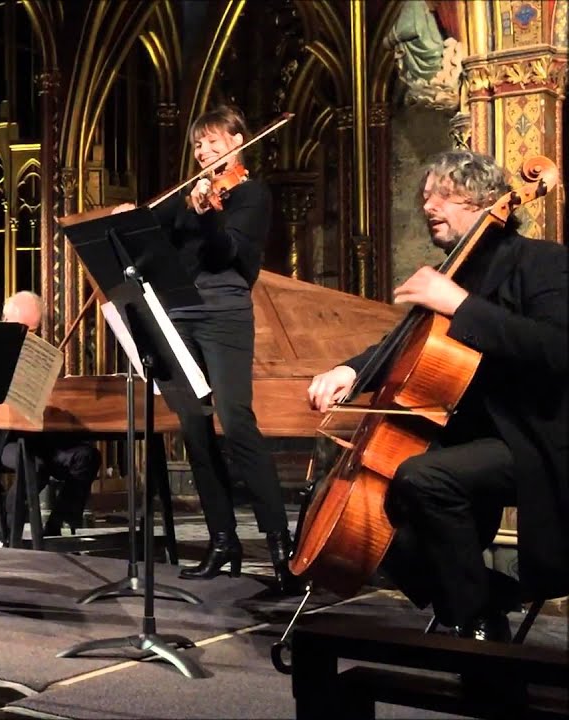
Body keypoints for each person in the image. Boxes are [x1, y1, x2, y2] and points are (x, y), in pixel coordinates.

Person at [307, 150, 568, 640]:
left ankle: (471, 622)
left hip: (533, 440)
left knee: (422, 477)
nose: (429, 206)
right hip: (467, 437)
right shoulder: (453, 274)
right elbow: (403, 345)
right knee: (376, 522)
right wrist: (350, 371)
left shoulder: (542, 262)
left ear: (487, 200)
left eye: (444, 195)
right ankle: (483, 603)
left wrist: (461, 305)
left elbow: (556, 348)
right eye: (426, 196)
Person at [114, 104, 297, 593]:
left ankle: (281, 547)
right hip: (180, 312)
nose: (205, 151)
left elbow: (226, 254)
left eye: (214, 141)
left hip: (225, 313)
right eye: (199, 144)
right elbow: (152, 240)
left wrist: (210, 215)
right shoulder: (185, 197)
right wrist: (128, 222)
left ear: (239, 141)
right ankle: (223, 541)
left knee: (236, 422)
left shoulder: (251, 194)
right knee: (193, 426)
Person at [0, 291, 101, 544]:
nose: (28, 339)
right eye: (22, 331)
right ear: (5, 321)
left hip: (42, 439)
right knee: (33, 464)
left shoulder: (41, 357)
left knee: (87, 456)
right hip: (1, 442)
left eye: (34, 332)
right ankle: (3, 529)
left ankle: (57, 524)